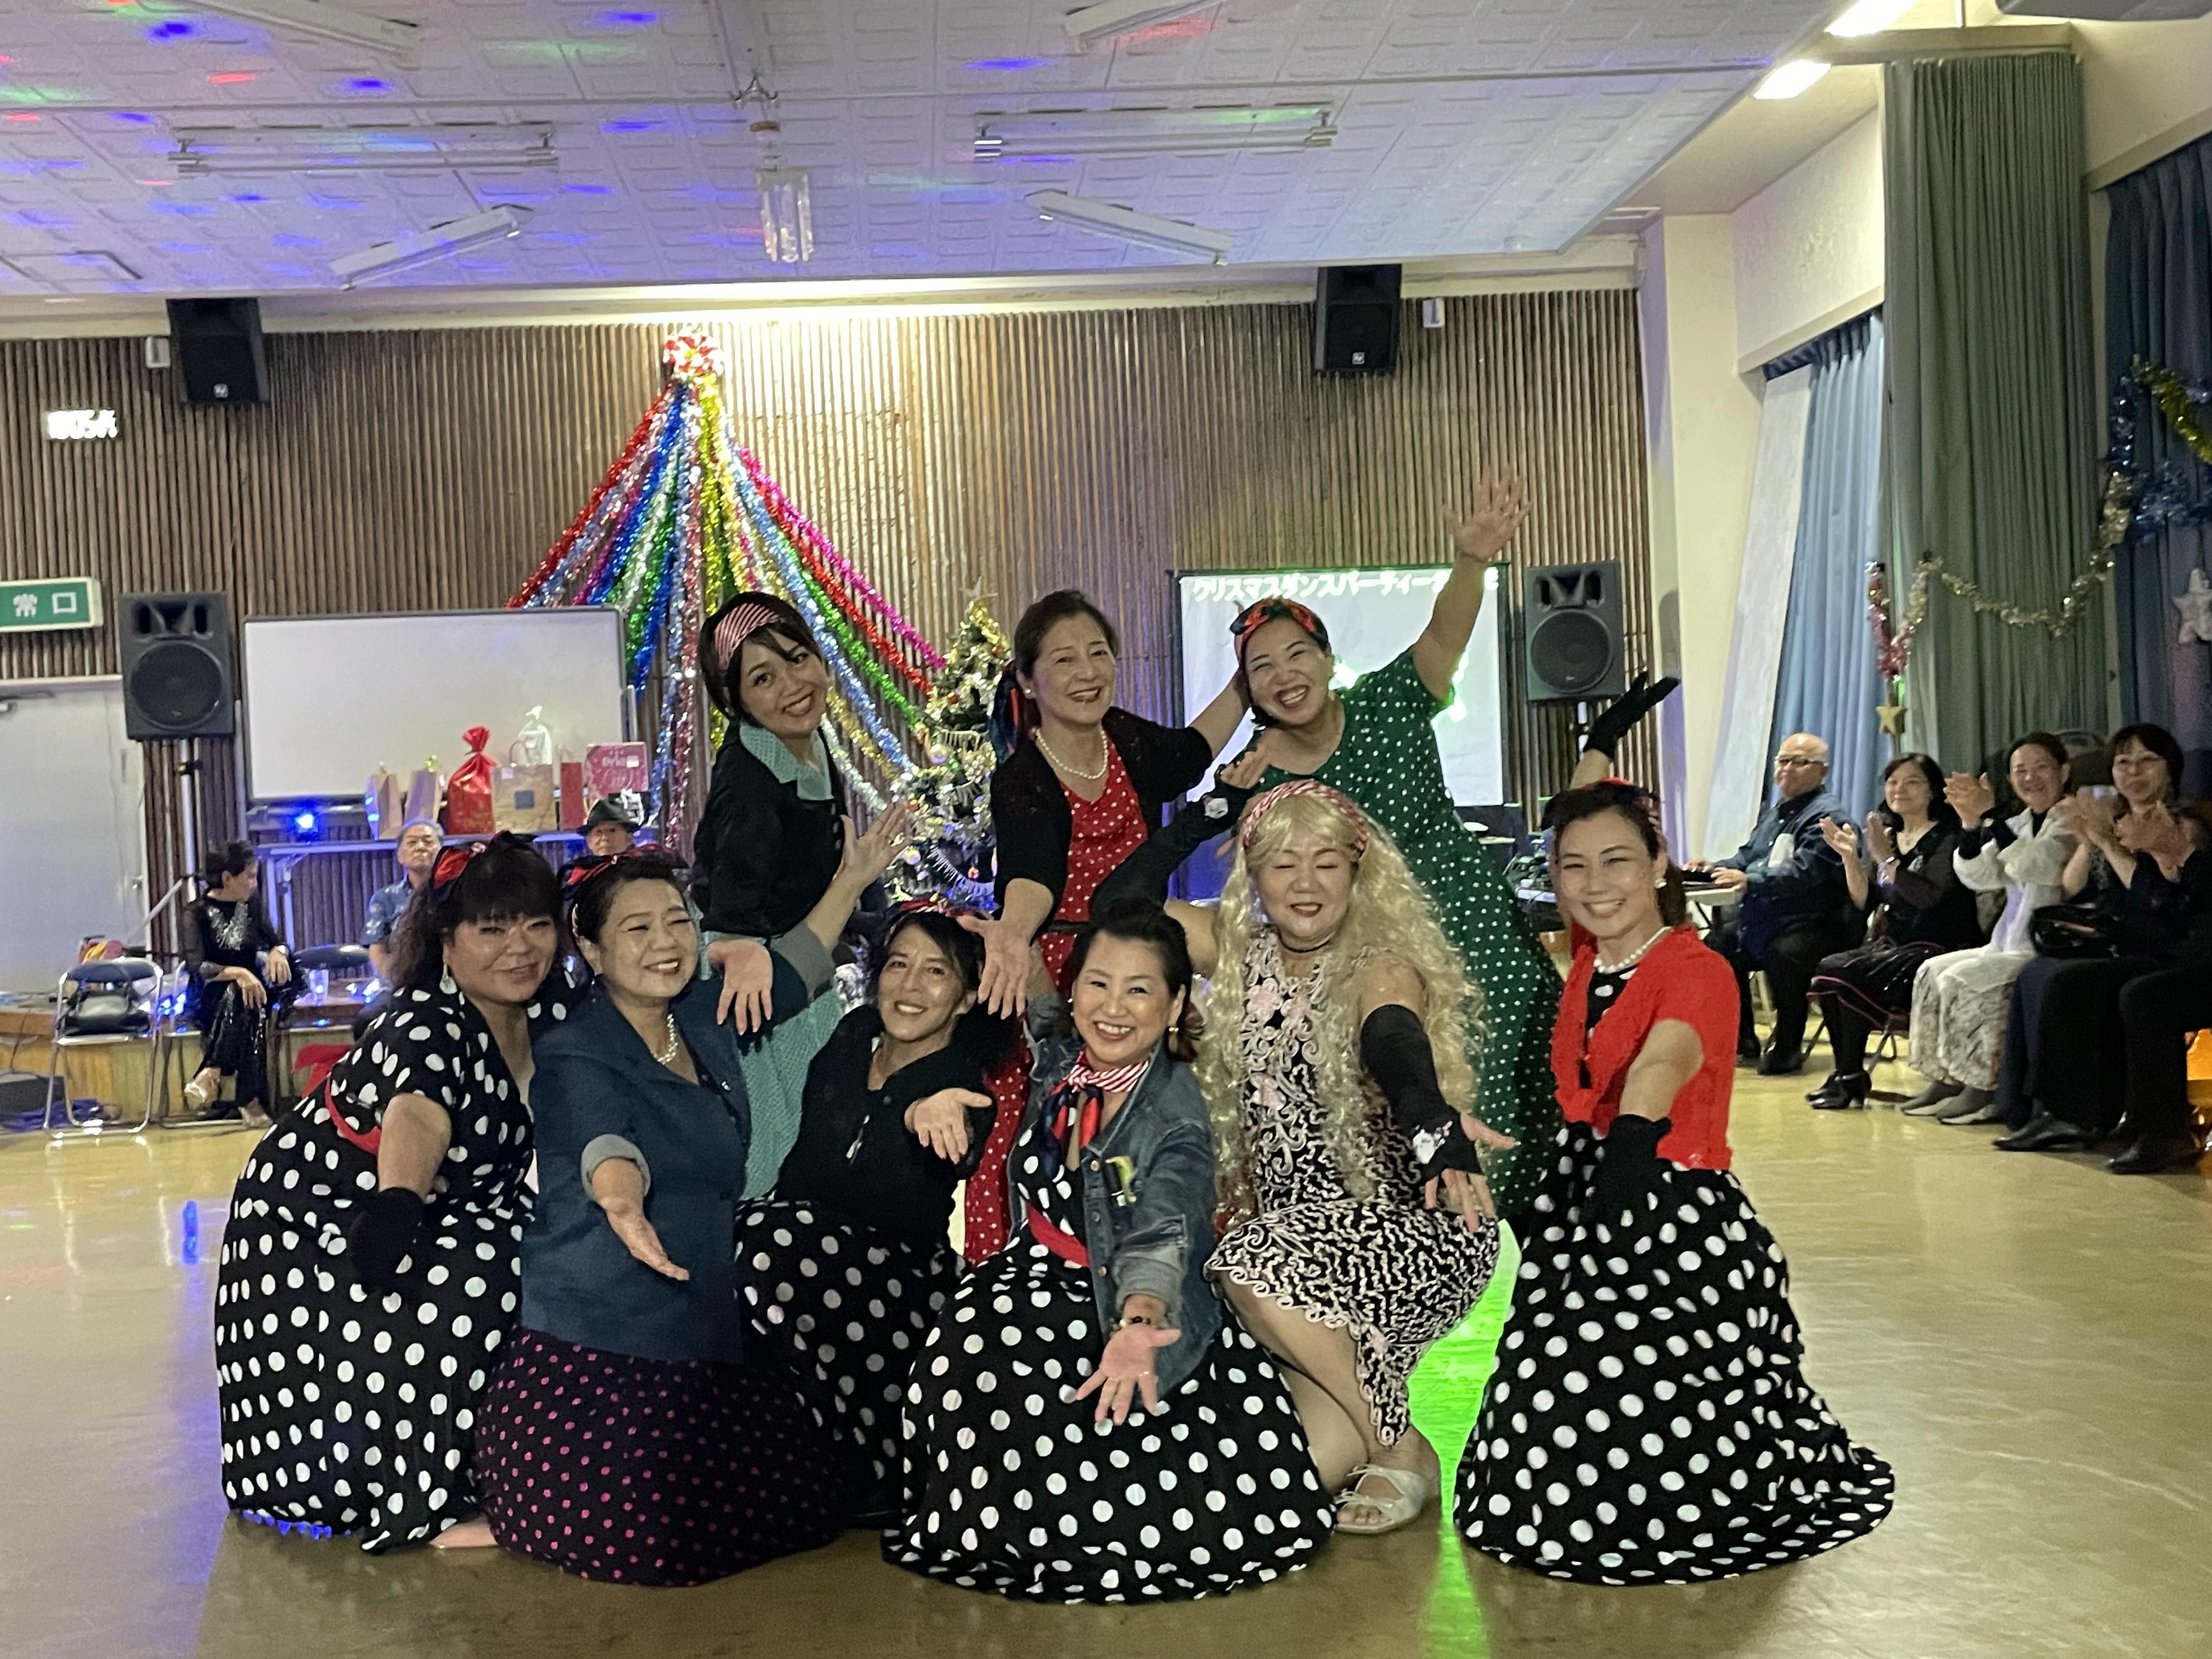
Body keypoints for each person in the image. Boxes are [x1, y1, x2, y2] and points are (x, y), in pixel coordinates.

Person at [1454, 780, 1894, 1584]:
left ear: (1659, 861)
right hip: (1582, 1204)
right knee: (1542, 1413)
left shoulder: (1696, 969)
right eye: (1573, 866)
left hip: (1669, 1214)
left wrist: (1630, 1144)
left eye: (1617, 860)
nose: (1595, 884)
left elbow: (1664, 1057)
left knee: (1605, 1402)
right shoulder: (1590, 959)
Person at [1095, 768, 1510, 1536]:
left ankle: (1398, 1446)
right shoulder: (1237, 949)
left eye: (1326, 862)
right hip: (1297, 1254)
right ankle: (1388, 1435)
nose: (1306, 883)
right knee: (1284, 1482)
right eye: (1283, 864)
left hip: (1406, 1229)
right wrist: (1210, 810)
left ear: (1357, 870)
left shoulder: (1378, 962)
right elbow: (1118, 900)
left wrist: (1431, 1120)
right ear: (1254, 876)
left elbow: (1393, 1037)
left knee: (1245, 1262)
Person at [473, 833, 898, 1583]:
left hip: (706, 1313)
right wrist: (621, 1202)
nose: (666, 943)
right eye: (638, 928)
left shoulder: (701, 1014)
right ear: (593, 950)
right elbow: (603, 1138)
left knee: (813, 1499)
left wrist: (851, 878)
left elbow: (796, 970)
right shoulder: (576, 1049)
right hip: (606, 1328)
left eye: (677, 921)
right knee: (657, 1541)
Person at [885, 898, 1335, 1602]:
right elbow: (1043, 1012)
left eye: (1138, 989)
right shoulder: (1068, 1064)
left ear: (1176, 1003)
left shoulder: (1174, 1115)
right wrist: (1014, 943)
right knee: (969, 1344)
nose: (1113, 1008)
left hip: (1119, 1299)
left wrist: (1137, 1325)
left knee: (1100, 1461)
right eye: (1097, 983)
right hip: (1027, 1277)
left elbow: (1164, 1232)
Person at [213, 834, 576, 1550]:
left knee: (549, 1254)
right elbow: (418, 1113)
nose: (520, 947)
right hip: (318, 1215)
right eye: (492, 929)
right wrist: (398, 1208)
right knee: (476, 1280)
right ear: (446, 939)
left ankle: (507, 1466)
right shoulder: (425, 1022)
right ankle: (428, 1499)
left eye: (536, 924)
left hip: (449, 1207)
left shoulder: (551, 1012)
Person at [960, 588, 1245, 1254]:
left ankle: (1171, 1264)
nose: (1087, 672)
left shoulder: (1126, 739)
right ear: (1028, 680)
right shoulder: (1023, 777)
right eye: (1064, 660)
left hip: (1138, 960)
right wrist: (1014, 932)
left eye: (1098, 654)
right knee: (1045, 1135)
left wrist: (1247, 676)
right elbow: (1032, 871)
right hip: (1059, 973)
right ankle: (1034, 1271)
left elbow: (1193, 750)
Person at [740, 905, 1008, 1514]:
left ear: (966, 998)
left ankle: (875, 1464)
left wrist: (918, 1115)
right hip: (797, 1249)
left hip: (898, 1285)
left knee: (764, 1238)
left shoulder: (962, 1086)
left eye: (936, 972)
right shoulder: (853, 1033)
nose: (910, 986)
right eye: (898, 965)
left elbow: (962, 1137)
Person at [692, 590, 909, 1196]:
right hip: (764, 991)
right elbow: (729, 912)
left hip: (806, 968)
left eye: (797, 657)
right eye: (763, 678)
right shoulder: (749, 784)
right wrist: (739, 949)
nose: (793, 684)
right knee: (778, 1161)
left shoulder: (809, 743)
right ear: (736, 700)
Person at [1993, 724, 2211, 1167]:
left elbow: (2163, 906)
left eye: (2147, 761)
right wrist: (2090, 841)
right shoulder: (2116, 819)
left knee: (2141, 994)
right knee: (2067, 980)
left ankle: (2163, 1131)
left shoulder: (2181, 824)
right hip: (2134, 945)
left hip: (2175, 950)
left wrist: (2114, 846)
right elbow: (2080, 890)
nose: (2133, 772)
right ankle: (2069, 1115)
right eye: (2123, 763)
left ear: (2170, 768)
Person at [1897, 735, 2076, 1124]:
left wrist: (1991, 818)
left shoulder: (2072, 819)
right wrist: (1970, 823)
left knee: (1962, 979)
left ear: (2064, 771)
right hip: (2007, 940)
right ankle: (1944, 1077)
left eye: (2041, 768)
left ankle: (1983, 1085)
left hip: (2045, 945)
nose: (2030, 778)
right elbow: (1979, 876)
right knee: (1931, 971)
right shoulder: (2018, 823)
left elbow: (2037, 866)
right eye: (2020, 771)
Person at [1802, 754, 1983, 1110]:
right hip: (1896, 945)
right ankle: (1848, 1073)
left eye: (1912, 781)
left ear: (1932, 790)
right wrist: (1850, 858)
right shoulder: (1889, 837)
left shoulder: (1946, 837)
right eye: (1893, 782)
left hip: (1939, 946)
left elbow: (1929, 898)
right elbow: (1865, 900)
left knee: (1844, 971)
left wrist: (1887, 859)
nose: (1900, 789)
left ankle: (1849, 1077)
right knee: (1829, 971)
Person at [1688, 732, 1858, 1076]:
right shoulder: (1777, 812)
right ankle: (1742, 1038)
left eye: (1800, 762)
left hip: (1816, 922)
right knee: (1717, 947)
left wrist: (1750, 881)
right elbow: (1748, 856)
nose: (1788, 769)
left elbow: (1806, 872)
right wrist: (1713, 869)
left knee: (1786, 953)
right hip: (1768, 920)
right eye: (1783, 761)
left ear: (1823, 771)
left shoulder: (1828, 817)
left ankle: (1788, 1046)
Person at [181, 841, 295, 1126]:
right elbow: (197, 966)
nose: (255, 884)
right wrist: (238, 973)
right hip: (209, 996)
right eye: (251, 876)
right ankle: (249, 1100)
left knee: (248, 998)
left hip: (253, 990)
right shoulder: (196, 912)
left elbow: (277, 940)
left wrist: (277, 951)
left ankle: (211, 1071)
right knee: (244, 999)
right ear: (227, 878)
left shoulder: (251, 906)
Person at [363, 819, 441, 985]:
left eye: (428, 842)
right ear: (400, 855)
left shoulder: (455, 893)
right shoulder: (384, 898)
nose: (420, 847)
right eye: (412, 842)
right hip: (401, 983)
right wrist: (397, 984)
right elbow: (377, 949)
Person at [580, 795, 639, 859]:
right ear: (589, 841)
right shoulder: (582, 864)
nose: (605, 838)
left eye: (612, 830)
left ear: (629, 838)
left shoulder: (642, 863)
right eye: (599, 832)